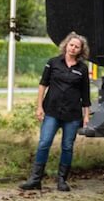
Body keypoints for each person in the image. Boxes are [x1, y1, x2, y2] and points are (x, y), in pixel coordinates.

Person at [19, 32, 91, 192]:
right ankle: (35, 179)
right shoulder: (53, 63)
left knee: (67, 147)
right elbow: (42, 85)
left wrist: (86, 115)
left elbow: (85, 94)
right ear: (66, 45)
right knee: (44, 143)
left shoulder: (82, 69)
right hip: (51, 111)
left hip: (72, 115)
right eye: (71, 45)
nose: (73, 48)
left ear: (81, 50)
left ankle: (62, 180)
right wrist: (39, 107)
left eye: (77, 47)